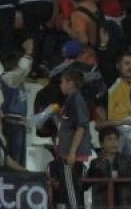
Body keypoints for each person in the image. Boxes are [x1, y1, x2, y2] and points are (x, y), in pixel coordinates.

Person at [54, 69, 92, 209]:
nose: (60, 85)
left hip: (71, 155)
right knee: (72, 191)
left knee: (72, 194)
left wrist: (72, 152)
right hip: (67, 152)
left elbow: (81, 127)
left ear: (71, 83)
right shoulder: (71, 100)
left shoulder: (76, 99)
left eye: (62, 82)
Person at [85, 126, 131, 208]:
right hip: (103, 205)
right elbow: (85, 185)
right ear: (101, 143)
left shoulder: (128, 159)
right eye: (110, 139)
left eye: (116, 139)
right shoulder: (95, 163)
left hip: (125, 204)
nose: (114, 142)